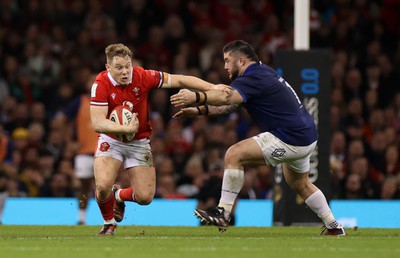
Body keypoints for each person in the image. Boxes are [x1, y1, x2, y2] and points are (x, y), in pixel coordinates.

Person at [170, 40, 346, 236]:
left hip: (289, 136)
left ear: (242, 61)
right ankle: (334, 226)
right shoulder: (261, 72)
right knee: (300, 183)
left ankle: (223, 212)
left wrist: (196, 97)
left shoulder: (253, 77)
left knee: (233, 155)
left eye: (228, 61)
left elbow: (227, 98)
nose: (226, 66)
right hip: (305, 135)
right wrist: (199, 110)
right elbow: (231, 105)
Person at [90, 43, 224, 235]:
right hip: (111, 139)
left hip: (139, 141)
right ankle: (108, 223)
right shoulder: (101, 83)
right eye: (119, 67)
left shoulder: (142, 76)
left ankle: (118, 195)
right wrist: (125, 128)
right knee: (102, 186)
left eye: (128, 66)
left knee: (145, 197)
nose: (125, 71)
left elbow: (178, 80)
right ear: (108, 67)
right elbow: (97, 122)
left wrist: (212, 87)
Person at [53, 71, 98, 225]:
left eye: (96, 80)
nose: (93, 83)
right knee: (83, 186)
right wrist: (69, 142)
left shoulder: (109, 102)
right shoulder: (80, 102)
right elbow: (61, 120)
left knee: (105, 186)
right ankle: (81, 218)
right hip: (84, 152)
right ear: (86, 85)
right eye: (91, 80)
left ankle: (109, 218)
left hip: (104, 151)